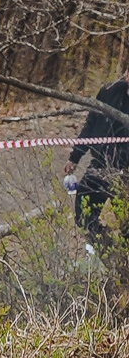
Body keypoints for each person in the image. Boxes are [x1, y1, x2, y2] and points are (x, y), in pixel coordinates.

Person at [64, 68, 129, 253]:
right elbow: (91, 125)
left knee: (126, 226)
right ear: (126, 74)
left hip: (126, 173)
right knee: (83, 213)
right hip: (101, 164)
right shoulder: (109, 92)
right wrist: (75, 156)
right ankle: (107, 253)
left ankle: (124, 266)